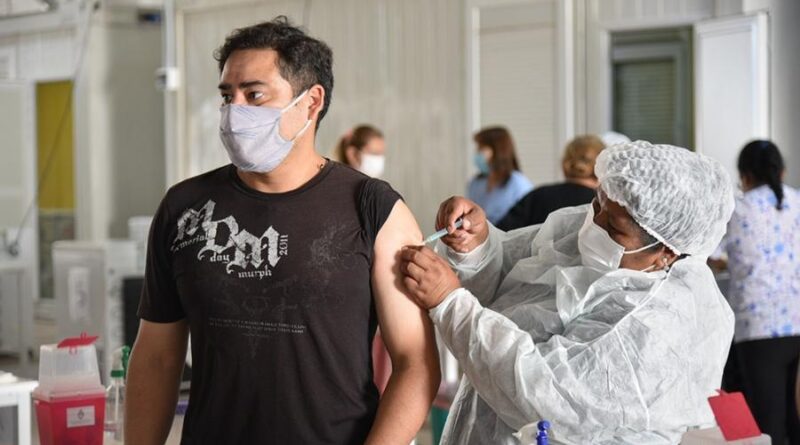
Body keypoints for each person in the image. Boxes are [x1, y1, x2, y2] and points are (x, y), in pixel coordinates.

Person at [125, 17, 440, 445]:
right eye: (227, 96)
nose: (234, 112)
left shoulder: (373, 208)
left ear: (311, 102)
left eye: (254, 94)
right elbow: (157, 358)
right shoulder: (185, 208)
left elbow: (415, 363)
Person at [400, 141, 736, 444]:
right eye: (597, 203)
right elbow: (513, 276)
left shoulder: (663, 324)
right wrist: (476, 246)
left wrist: (451, 304)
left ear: (666, 252)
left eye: (614, 228)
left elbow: (547, 398)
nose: (595, 223)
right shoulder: (583, 232)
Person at [715, 140, 800, 444]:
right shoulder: (797, 202)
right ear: (782, 171)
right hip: (797, 318)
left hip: (758, 325)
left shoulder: (737, 209)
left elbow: (712, 254)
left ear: (745, 176)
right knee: (796, 418)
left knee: (768, 421)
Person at [497, 135, 605, 231]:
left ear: (565, 162)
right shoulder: (604, 204)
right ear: (603, 166)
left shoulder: (537, 196)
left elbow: (501, 236)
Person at [467, 127, 533, 224]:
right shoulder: (475, 183)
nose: (477, 153)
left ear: (498, 151)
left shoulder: (519, 184)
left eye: (481, 148)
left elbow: (529, 220)